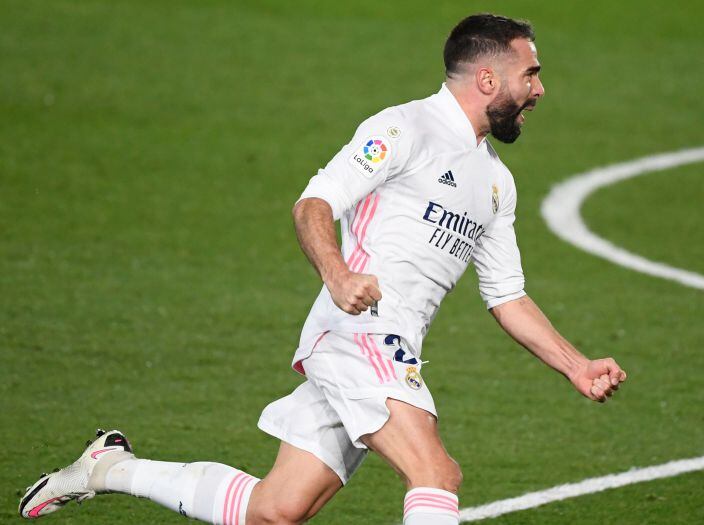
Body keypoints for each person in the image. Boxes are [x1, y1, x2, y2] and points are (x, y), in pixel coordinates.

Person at [20, 13, 627, 525]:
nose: (540, 90)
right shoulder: (403, 129)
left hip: (394, 346)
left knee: (275, 509)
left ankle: (111, 469)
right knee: (435, 471)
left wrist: (576, 366)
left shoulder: (496, 182)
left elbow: (507, 296)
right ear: (488, 78)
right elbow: (314, 204)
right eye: (532, 74)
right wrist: (337, 276)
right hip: (360, 334)